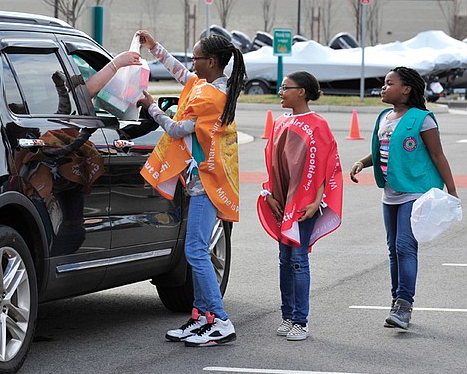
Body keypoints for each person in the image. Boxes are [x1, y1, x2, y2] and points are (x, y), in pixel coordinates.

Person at [135, 30, 246, 347]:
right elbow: (181, 73)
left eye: (196, 58)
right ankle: (201, 318)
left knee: (196, 251)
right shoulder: (209, 86)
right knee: (196, 250)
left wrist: (152, 106)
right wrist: (155, 47)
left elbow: (175, 128)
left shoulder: (210, 98)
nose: (191, 63)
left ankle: (220, 320)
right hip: (205, 180)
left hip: (208, 184)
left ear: (211, 62)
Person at [349, 66, 459, 330]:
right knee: (393, 250)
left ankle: (404, 305)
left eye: (389, 83)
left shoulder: (423, 119)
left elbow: (437, 155)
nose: (384, 87)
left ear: (406, 89)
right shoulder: (385, 117)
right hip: (391, 193)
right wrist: (362, 163)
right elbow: (382, 150)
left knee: (404, 247)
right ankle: (396, 300)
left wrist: (452, 190)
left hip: (415, 192)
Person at [256, 71, 343, 341]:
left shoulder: (318, 124)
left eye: (286, 88)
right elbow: (272, 162)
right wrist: (270, 194)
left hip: (304, 204)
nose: (280, 92)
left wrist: (316, 200)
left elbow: (324, 164)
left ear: (302, 92)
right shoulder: (280, 122)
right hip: (282, 201)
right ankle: (287, 315)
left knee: (298, 260)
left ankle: (300, 321)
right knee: (284, 259)